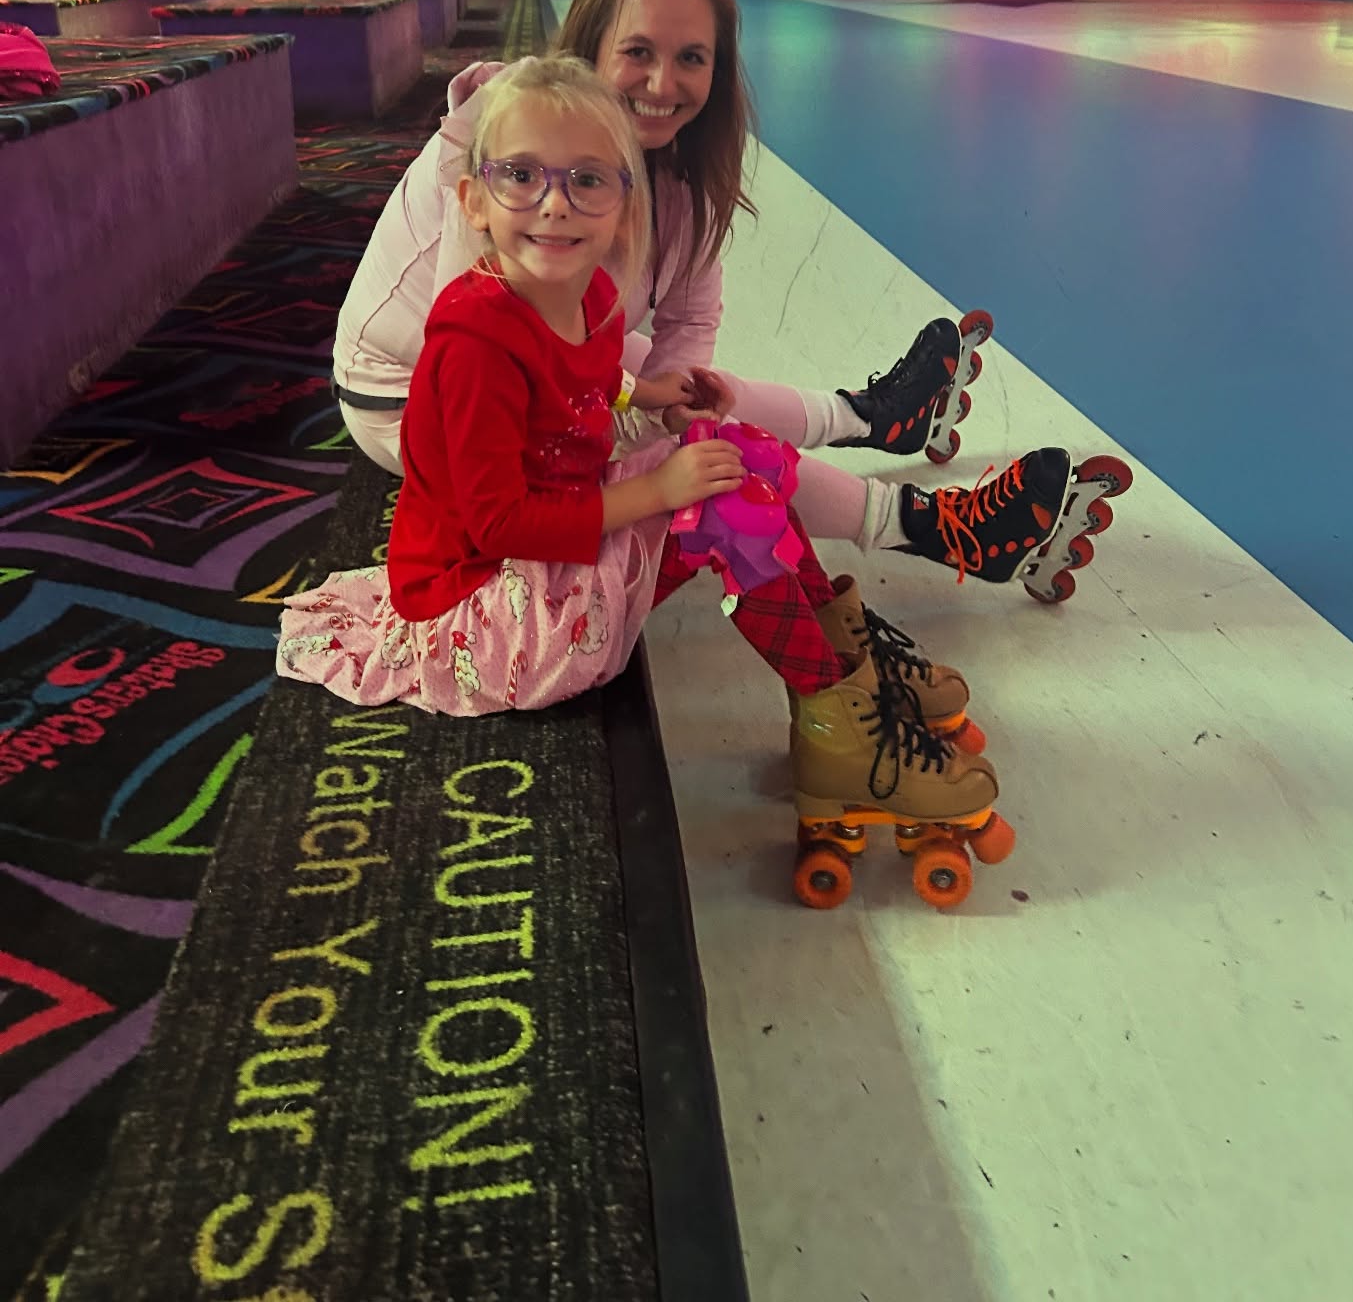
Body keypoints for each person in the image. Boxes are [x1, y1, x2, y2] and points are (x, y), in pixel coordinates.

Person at [280, 57, 1007, 836]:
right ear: (474, 201)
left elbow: (583, 378)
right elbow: (497, 525)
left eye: (587, 180)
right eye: (520, 175)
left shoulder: (585, 293)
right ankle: (839, 736)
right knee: (724, 510)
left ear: (625, 209)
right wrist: (655, 493)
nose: (554, 203)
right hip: (488, 608)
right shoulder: (474, 347)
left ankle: (838, 663)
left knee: (739, 456)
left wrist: (652, 395)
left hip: (542, 551)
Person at [332, 0, 1072, 585]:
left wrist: (680, 406)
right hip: (411, 396)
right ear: (592, 45)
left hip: (539, 355)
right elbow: (486, 351)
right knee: (708, 461)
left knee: (698, 401)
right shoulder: (512, 153)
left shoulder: (673, 169)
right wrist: (660, 453)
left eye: (691, 57)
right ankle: (923, 523)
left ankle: (869, 418)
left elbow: (688, 321)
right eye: (638, 52)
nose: (663, 83)